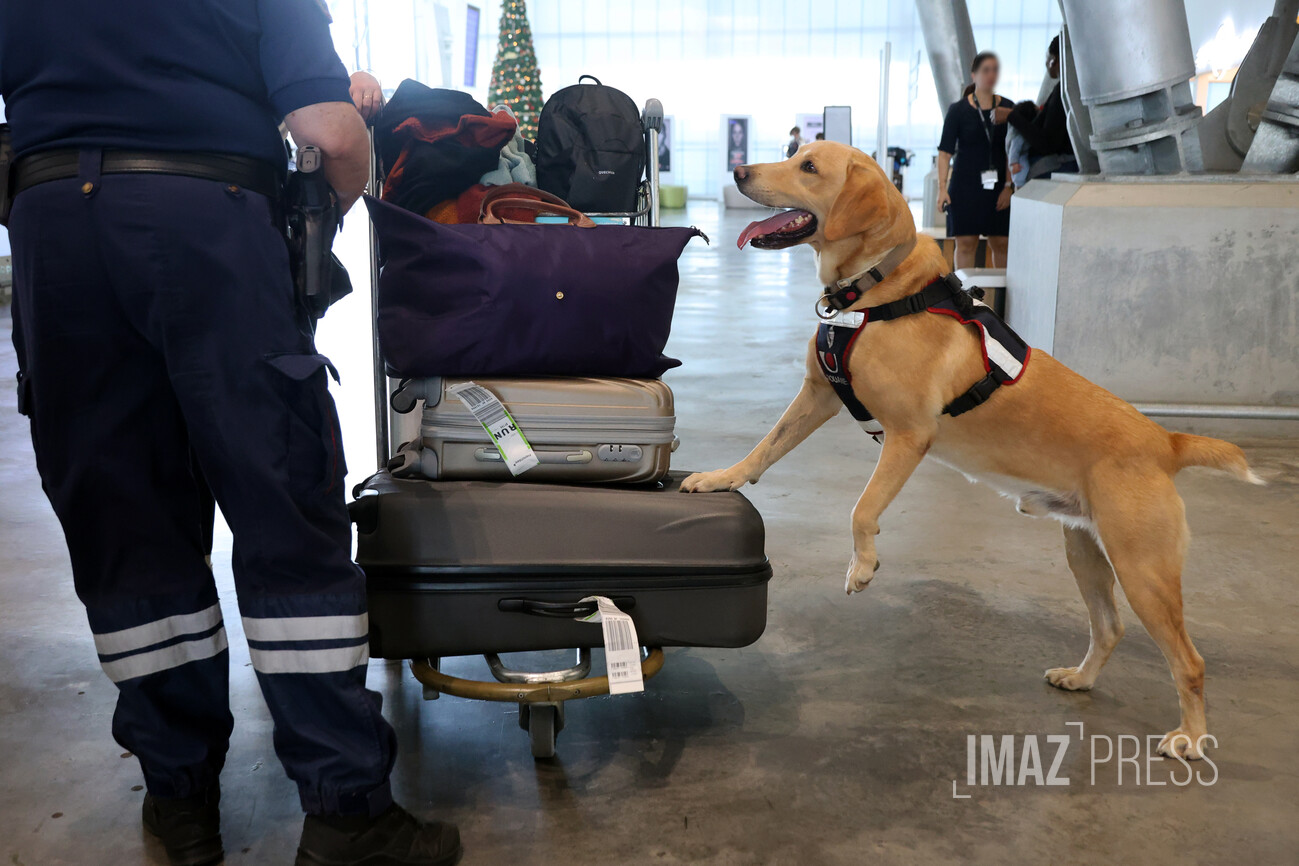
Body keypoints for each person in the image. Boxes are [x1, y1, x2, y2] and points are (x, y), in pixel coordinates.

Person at [0, 4, 461, 866]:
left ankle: (179, 804)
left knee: (121, 516)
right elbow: (330, 132)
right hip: (209, 218)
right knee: (282, 503)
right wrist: (319, 221)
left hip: (53, 227)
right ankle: (347, 813)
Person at [936, 51, 1014, 269]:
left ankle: (1001, 292)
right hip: (965, 187)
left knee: (1001, 243)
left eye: (995, 70)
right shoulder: (958, 110)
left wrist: (1009, 186)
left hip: (999, 187)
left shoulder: (1008, 108)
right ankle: (964, 290)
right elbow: (945, 153)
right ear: (974, 74)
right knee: (966, 244)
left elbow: (1013, 151)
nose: (991, 75)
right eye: (985, 70)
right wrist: (942, 189)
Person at [1006, 36, 1078, 182]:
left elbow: (1047, 143)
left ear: (1054, 60)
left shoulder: (1062, 91)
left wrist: (1011, 116)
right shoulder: (1070, 88)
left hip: (1059, 168)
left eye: (1048, 58)